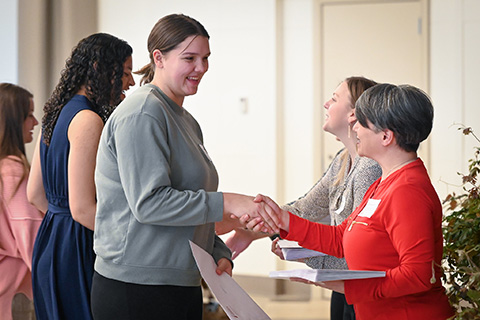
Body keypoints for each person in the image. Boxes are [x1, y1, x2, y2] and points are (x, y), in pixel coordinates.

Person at [90, 13, 278, 320]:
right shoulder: (142, 113)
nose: (201, 68)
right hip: (137, 288)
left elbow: (187, 201)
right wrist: (228, 202)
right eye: (190, 58)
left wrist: (216, 252)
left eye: (205, 58)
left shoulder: (184, 119)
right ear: (158, 58)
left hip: (178, 281)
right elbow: (150, 203)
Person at [250, 83, 455, 319]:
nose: (354, 127)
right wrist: (284, 221)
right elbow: (342, 238)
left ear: (386, 136)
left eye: (361, 122)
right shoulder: (386, 182)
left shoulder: (407, 191)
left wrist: (349, 286)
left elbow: (416, 275)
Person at [223, 76, 381, 320]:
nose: (327, 104)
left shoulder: (369, 169)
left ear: (354, 113)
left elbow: (358, 258)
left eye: (335, 98)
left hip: (362, 291)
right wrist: (251, 232)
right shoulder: (343, 160)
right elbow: (305, 209)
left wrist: (306, 255)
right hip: (344, 289)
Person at [26, 33, 134, 320]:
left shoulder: (54, 113)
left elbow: (35, 194)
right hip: (78, 244)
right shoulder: (88, 120)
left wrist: (61, 223)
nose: (131, 82)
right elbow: (83, 208)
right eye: (124, 74)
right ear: (100, 70)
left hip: (50, 240)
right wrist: (135, 241)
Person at [0, 83, 43, 320]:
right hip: (11, 292)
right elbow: (32, 239)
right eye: (29, 116)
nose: (35, 122)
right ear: (12, 120)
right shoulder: (13, 171)